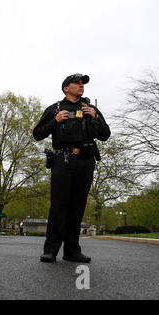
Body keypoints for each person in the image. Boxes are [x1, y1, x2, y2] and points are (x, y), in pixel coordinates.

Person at [33, 74, 110, 263]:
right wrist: (55, 121)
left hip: (86, 160)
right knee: (59, 206)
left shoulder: (91, 109)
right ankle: (50, 250)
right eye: (77, 83)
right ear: (66, 88)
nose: (81, 86)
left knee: (77, 206)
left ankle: (72, 251)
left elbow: (105, 135)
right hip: (63, 160)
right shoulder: (55, 109)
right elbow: (37, 134)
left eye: (83, 83)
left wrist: (96, 118)